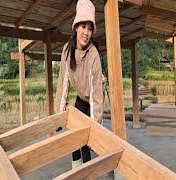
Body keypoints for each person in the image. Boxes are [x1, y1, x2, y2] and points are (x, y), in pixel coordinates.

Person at [54, 0, 104, 169]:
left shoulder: (94, 55)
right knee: (73, 135)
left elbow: (96, 95)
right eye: (83, 27)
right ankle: (76, 169)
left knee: (86, 140)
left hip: (92, 99)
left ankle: (88, 171)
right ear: (76, 27)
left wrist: (95, 127)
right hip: (80, 98)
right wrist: (58, 116)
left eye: (90, 29)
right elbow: (63, 82)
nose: (86, 33)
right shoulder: (67, 50)